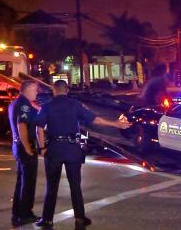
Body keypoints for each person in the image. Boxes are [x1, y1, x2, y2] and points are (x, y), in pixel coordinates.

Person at [35, 80, 131, 228]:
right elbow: (95, 119)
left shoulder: (47, 106)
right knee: (75, 186)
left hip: (54, 148)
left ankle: (47, 219)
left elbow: (39, 128)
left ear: (54, 90)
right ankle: (80, 218)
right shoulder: (75, 105)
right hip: (72, 148)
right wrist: (115, 124)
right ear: (67, 90)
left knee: (52, 186)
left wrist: (42, 148)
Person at [8, 80, 40, 227]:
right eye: (34, 90)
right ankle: (25, 214)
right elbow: (22, 125)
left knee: (21, 182)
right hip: (25, 147)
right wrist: (28, 147)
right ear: (26, 90)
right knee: (28, 182)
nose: (36, 92)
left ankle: (18, 213)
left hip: (17, 146)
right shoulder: (25, 105)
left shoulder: (15, 103)